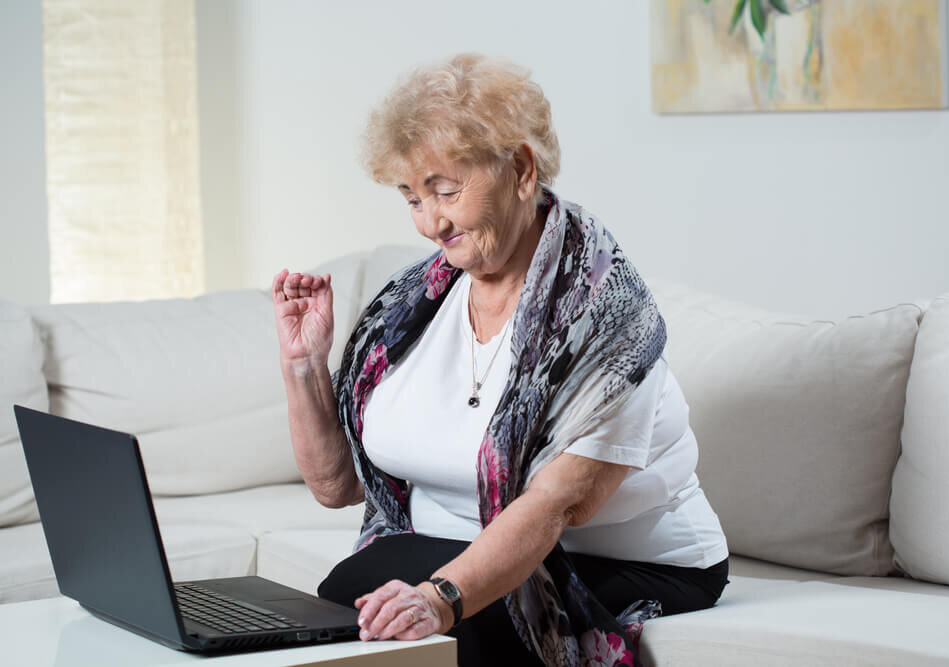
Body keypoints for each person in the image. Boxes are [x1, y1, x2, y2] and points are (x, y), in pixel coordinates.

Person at [271, 53, 728, 667]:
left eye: (445, 191)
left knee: (482, 617)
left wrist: (440, 598)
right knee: (346, 597)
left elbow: (557, 502)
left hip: (626, 560)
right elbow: (338, 487)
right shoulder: (410, 306)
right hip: (453, 544)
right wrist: (304, 366)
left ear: (520, 169)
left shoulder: (608, 310)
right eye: (412, 198)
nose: (430, 223)